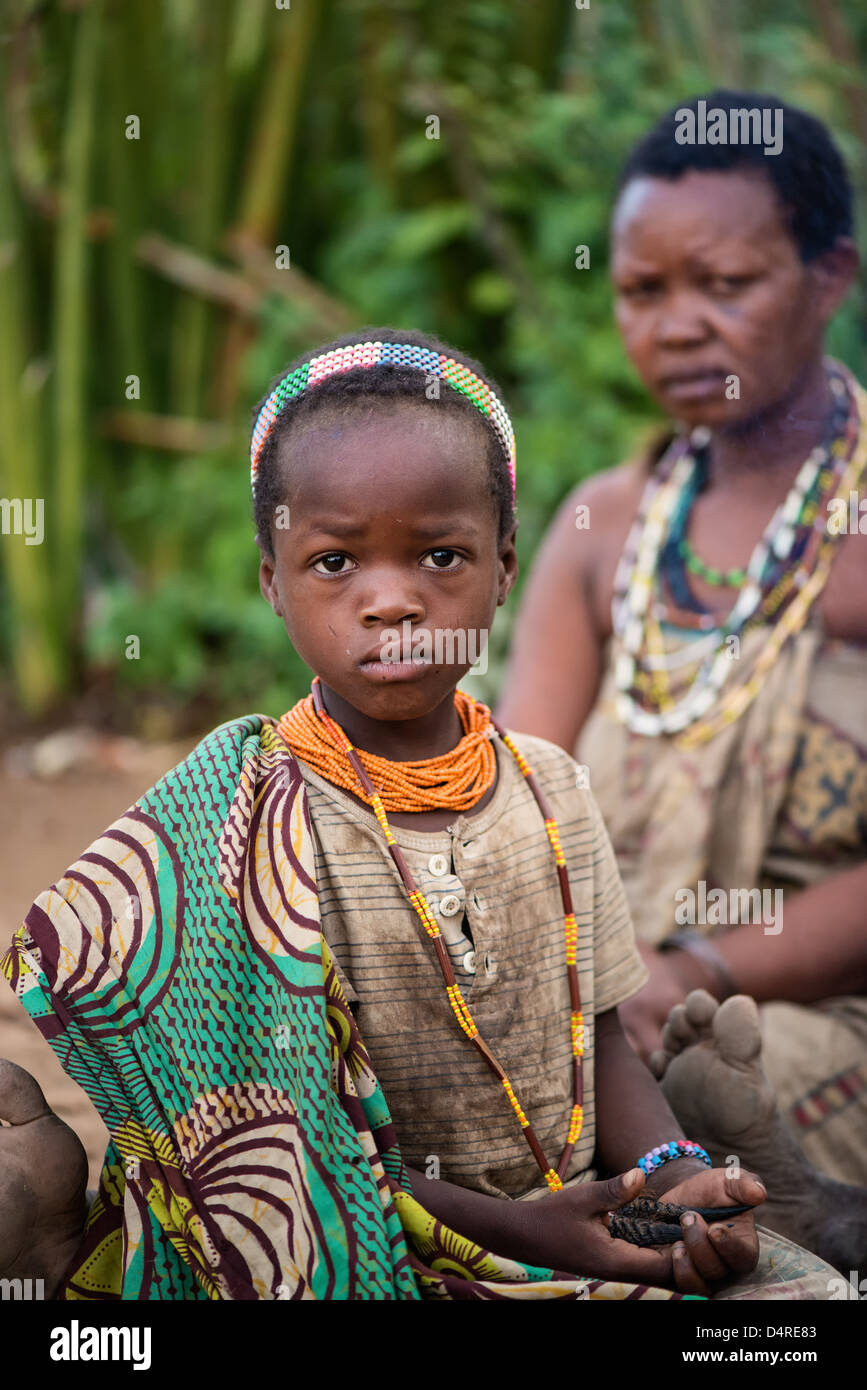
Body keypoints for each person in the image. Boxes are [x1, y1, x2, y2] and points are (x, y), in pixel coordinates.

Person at [0, 328, 835, 1301]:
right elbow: (272, 1140)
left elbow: (599, 1042)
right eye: (334, 562)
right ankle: (54, 1235)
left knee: (798, 1302)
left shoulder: (553, 787)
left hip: (577, 1214)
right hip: (353, 1239)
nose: (392, 600)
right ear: (271, 578)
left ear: (504, 567)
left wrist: (677, 1179)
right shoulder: (254, 817)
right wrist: (523, 1230)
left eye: (440, 555)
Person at [498, 92, 867, 1194]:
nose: (675, 325)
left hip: (813, 1020)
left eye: (726, 284)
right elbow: (507, 804)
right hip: (597, 1001)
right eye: (641, 291)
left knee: (680, 1113)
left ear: (829, 277)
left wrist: (695, 968)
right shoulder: (603, 530)